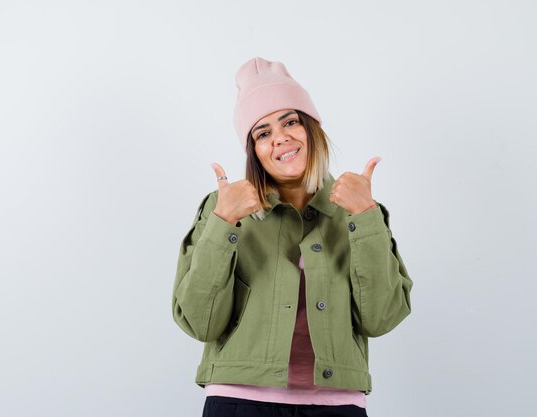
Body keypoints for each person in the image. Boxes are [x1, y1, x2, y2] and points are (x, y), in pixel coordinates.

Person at [172, 57, 413, 417]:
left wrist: (365, 217)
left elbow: (381, 318)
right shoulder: (223, 209)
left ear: (311, 128)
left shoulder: (359, 210)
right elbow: (199, 322)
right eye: (263, 132)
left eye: (290, 121)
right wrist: (223, 222)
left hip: (338, 405)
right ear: (254, 151)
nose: (280, 137)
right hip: (240, 401)